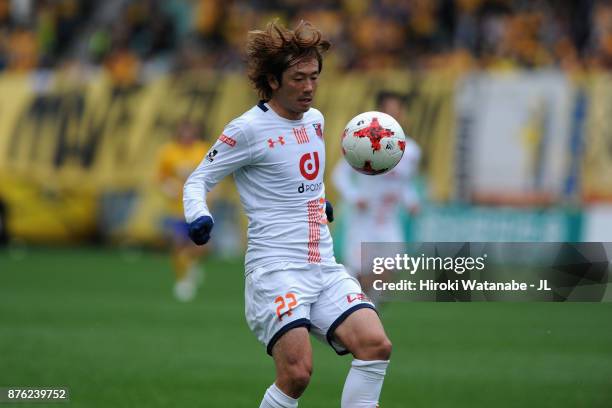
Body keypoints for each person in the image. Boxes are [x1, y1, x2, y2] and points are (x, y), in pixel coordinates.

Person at [184, 20, 392, 408]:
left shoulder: (315, 121)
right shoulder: (246, 130)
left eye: (314, 76)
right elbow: (197, 180)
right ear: (273, 80)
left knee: (375, 344)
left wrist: (319, 201)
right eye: (299, 78)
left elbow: (303, 178)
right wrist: (199, 216)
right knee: (296, 375)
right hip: (276, 270)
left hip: (323, 266)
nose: (309, 87)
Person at [332, 91, 421, 301]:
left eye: (397, 111)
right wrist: (355, 197)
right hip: (364, 219)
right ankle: (352, 311)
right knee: (357, 273)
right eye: (389, 111)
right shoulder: (362, 142)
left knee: (389, 270)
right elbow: (339, 175)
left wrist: (411, 201)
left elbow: (404, 183)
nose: (394, 115)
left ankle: (367, 311)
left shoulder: (412, 151)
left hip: (389, 220)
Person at [157, 121, 209, 302]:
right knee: (178, 244)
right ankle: (182, 280)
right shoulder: (168, 151)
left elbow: (211, 173)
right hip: (177, 208)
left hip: (199, 207)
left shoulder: (202, 150)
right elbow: (161, 176)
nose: (187, 136)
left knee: (200, 247)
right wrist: (167, 186)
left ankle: (192, 266)